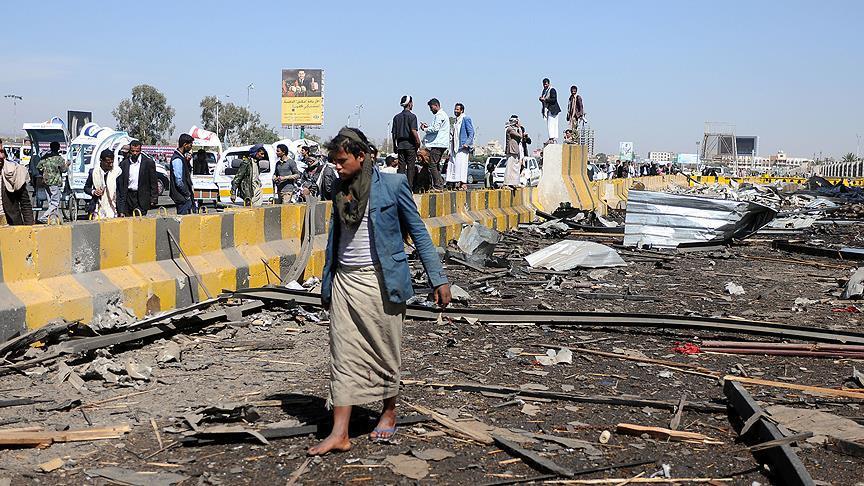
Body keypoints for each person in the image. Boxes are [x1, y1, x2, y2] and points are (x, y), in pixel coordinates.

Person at [308, 127, 451, 456]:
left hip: (381, 281)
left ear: (361, 156)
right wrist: (327, 283)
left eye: (342, 161)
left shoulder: (393, 185)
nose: (336, 167)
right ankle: (340, 432)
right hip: (345, 280)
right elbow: (335, 239)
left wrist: (438, 278)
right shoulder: (339, 188)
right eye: (334, 161)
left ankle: (388, 411)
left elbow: (418, 232)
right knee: (342, 355)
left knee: (386, 350)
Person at [117, 140, 159, 216]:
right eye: (133, 151)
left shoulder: (148, 163)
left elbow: (153, 181)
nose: (135, 153)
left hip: (141, 198)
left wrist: (154, 198)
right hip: (128, 198)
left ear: (140, 150)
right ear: (130, 151)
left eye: (137, 151)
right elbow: (121, 184)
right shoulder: (124, 164)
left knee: (140, 220)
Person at [391, 95, 421, 190]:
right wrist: (418, 142)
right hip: (410, 145)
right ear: (410, 104)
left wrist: (394, 146)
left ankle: (400, 188)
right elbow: (413, 131)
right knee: (411, 168)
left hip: (400, 145)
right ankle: (409, 188)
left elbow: (394, 134)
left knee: (401, 168)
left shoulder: (396, 117)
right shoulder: (412, 117)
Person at [83, 149, 122, 219]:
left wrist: (121, 211)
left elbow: (121, 192)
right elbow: (86, 188)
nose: (111, 165)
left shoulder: (117, 172)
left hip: (113, 208)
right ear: (101, 160)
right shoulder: (94, 172)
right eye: (108, 162)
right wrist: (94, 192)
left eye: (112, 162)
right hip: (97, 208)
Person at [420, 98, 449, 190]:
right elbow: (436, 128)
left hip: (438, 144)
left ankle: (438, 186)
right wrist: (428, 127)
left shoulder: (439, 115)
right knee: (435, 165)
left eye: (431, 107)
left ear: (436, 105)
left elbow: (435, 129)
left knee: (432, 164)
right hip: (441, 143)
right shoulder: (442, 115)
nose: (431, 110)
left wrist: (425, 129)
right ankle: (439, 184)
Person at [36, 141, 67, 224]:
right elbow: (64, 170)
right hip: (55, 182)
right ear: (58, 148)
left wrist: (44, 172)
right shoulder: (59, 159)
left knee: (50, 201)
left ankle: (54, 218)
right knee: (55, 202)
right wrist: (67, 165)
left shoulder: (45, 157)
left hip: (46, 181)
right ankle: (44, 217)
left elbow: (39, 167)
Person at [1, 148, 34, 225]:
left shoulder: (14, 172)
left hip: (11, 225)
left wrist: (29, 228)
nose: (1, 156)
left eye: (2, 151)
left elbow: (25, 204)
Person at [446, 103, 474, 190]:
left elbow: (471, 133)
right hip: (455, 147)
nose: (455, 111)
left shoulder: (465, 119)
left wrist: (467, 143)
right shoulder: (456, 121)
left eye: (457, 109)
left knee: (462, 165)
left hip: (462, 147)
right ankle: (457, 183)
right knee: (455, 166)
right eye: (455, 109)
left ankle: (463, 184)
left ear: (461, 110)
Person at [169, 134, 196, 215]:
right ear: (185, 145)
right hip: (182, 198)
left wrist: (187, 162)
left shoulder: (182, 157)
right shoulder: (177, 159)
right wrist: (187, 194)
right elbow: (179, 181)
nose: (191, 147)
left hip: (184, 197)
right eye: (190, 145)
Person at [539, 78, 561, 145]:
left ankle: (552, 138)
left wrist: (545, 99)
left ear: (549, 83)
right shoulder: (544, 91)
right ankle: (552, 138)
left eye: (546, 84)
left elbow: (554, 100)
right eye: (544, 84)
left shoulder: (552, 90)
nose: (545, 85)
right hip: (548, 109)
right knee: (550, 124)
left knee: (552, 124)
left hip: (553, 109)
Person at [503, 115, 522, 189]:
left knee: (515, 168)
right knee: (509, 167)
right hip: (511, 150)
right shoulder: (510, 129)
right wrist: (519, 128)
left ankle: (514, 183)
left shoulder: (514, 129)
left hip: (515, 150)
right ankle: (506, 183)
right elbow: (520, 136)